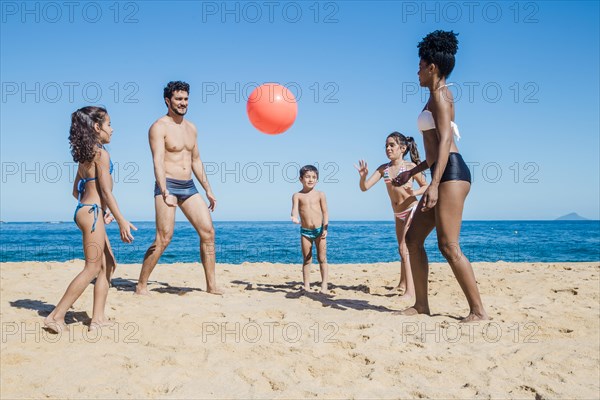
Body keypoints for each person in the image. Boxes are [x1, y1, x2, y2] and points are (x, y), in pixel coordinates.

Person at [392, 30, 488, 322]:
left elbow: (445, 140)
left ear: (432, 67)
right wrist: (414, 170)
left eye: (420, 66)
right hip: (439, 171)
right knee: (412, 239)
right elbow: (433, 151)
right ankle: (421, 305)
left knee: (448, 245)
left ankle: (478, 311)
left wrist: (432, 185)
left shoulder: (441, 94)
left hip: (451, 174)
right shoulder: (434, 96)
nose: (417, 71)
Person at [44, 106, 137, 333]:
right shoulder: (101, 154)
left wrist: (96, 207)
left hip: (85, 210)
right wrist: (120, 219)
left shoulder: (86, 154)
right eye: (109, 124)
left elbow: (76, 190)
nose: (112, 129)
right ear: (97, 127)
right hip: (92, 214)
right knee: (92, 268)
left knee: (108, 265)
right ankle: (56, 316)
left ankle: (98, 319)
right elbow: (106, 192)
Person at [135, 81, 221, 295]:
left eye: (185, 99)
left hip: (189, 186)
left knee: (208, 232)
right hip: (168, 185)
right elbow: (157, 161)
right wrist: (164, 192)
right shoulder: (158, 127)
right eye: (178, 99)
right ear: (168, 101)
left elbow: (196, 160)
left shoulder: (191, 128)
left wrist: (208, 189)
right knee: (164, 238)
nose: (183, 103)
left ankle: (211, 285)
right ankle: (141, 284)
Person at [355, 132, 428, 299]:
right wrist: (363, 177)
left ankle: (410, 291)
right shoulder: (384, 169)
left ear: (402, 148)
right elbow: (364, 187)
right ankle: (402, 284)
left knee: (405, 248)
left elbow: (426, 186)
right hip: (397, 214)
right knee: (401, 249)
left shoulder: (410, 167)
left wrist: (414, 191)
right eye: (386, 146)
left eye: (392, 145)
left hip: (411, 209)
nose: (388, 148)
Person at [290, 165, 329, 294]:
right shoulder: (297, 195)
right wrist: (294, 217)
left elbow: (325, 212)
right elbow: (294, 209)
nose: (310, 179)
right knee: (307, 259)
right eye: (307, 177)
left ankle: (324, 285)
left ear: (317, 180)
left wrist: (325, 227)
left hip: (319, 231)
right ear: (301, 179)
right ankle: (306, 285)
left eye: (313, 177)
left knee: (322, 258)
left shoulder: (320, 194)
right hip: (305, 232)